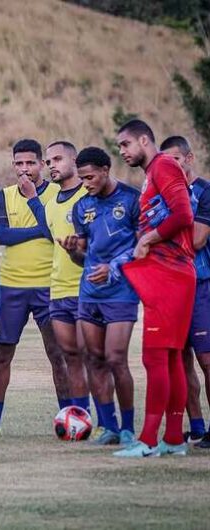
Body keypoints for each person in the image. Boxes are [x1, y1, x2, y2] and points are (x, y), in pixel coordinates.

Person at [114, 119, 195, 458]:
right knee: (172, 356)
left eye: (125, 145)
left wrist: (148, 237)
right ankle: (173, 439)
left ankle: (147, 440)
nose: (122, 152)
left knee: (154, 356)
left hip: (171, 272)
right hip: (170, 272)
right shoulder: (154, 172)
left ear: (144, 140)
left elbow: (183, 214)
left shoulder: (163, 165)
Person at [0, 138, 69, 437]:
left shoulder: (58, 194)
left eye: (31, 163)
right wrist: (39, 230)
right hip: (10, 286)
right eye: (19, 163)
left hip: (49, 285)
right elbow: (2, 235)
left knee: (57, 355)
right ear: (13, 165)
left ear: (42, 165)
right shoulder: (3, 196)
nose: (25, 169)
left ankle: (69, 416)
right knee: (2, 357)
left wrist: (35, 201)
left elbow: (54, 233)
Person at [59, 147, 140, 446]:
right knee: (94, 359)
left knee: (116, 358)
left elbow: (142, 248)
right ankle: (109, 427)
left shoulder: (133, 200)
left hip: (121, 293)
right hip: (89, 294)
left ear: (106, 170)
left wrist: (113, 268)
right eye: (82, 178)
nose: (86, 183)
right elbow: (83, 258)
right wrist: (72, 252)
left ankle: (130, 428)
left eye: (90, 177)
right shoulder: (82, 207)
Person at [160, 135, 210, 447]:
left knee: (207, 360)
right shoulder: (159, 194)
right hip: (169, 288)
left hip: (201, 285)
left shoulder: (204, 192)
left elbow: (198, 240)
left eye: (176, 160)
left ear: (189, 159)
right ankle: (197, 427)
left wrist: (159, 234)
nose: (171, 167)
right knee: (179, 361)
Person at [44, 141, 91, 417]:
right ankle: (80, 416)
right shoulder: (50, 206)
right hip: (58, 290)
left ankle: (107, 421)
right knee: (70, 357)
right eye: (48, 161)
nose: (52, 165)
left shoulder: (89, 196)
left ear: (74, 161)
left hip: (87, 289)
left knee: (94, 359)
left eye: (58, 159)